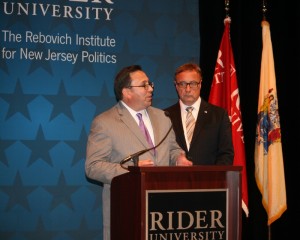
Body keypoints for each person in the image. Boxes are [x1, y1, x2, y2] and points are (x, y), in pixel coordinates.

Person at [85, 65, 192, 240]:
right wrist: (132, 171)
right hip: (127, 209)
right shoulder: (104, 122)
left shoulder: (163, 117)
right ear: (126, 91)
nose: (150, 89)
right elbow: (93, 167)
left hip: (165, 211)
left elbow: (173, 148)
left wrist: (179, 157)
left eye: (150, 84)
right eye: (144, 85)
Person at [164, 62, 234, 165]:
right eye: (182, 84)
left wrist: (215, 179)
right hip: (175, 179)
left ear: (200, 84)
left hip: (209, 179)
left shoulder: (219, 115)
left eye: (192, 83)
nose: (187, 89)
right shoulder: (165, 116)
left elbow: (226, 154)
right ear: (176, 86)